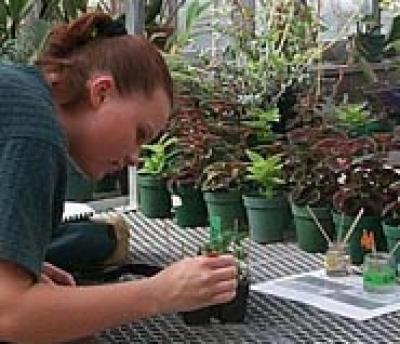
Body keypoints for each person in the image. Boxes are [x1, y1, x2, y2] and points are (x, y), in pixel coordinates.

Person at [0, 12, 237, 343]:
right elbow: (10, 315)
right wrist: (159, 293)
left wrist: (22, 268)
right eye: (140, 133)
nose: (134, 158)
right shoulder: (35, 133)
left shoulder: (20, 94)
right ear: (101, 92)